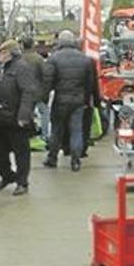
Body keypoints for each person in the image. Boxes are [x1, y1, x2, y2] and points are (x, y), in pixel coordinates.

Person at [43, 30, 95, 172]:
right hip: (78, 101)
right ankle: (76, 160)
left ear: (59, 42)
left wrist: (43, 97)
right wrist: (91, 100)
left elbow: (48, 81)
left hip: (60, 100)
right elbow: (90, 83)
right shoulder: (85, 59)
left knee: (56, 130)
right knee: (76, 130)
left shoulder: (53, 59)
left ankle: (52, 158)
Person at [0, 40, 37, 196]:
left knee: (21, 152)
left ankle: (22, 182)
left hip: (16, 118)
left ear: (11, 53)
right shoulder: (4, 69)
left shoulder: (22, 68)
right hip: (0, 117)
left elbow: (28, 92)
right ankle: (7, 176)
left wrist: (24, 116)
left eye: (2, 52)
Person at [21, 35, 48, 144]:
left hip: (24, 92)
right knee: (44, 113)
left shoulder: (20, 59)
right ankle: (44, 136)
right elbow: (45, 75)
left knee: (27, 114)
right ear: (32, 45)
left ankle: (27, 136)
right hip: (38, 91)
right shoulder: (38, 59)